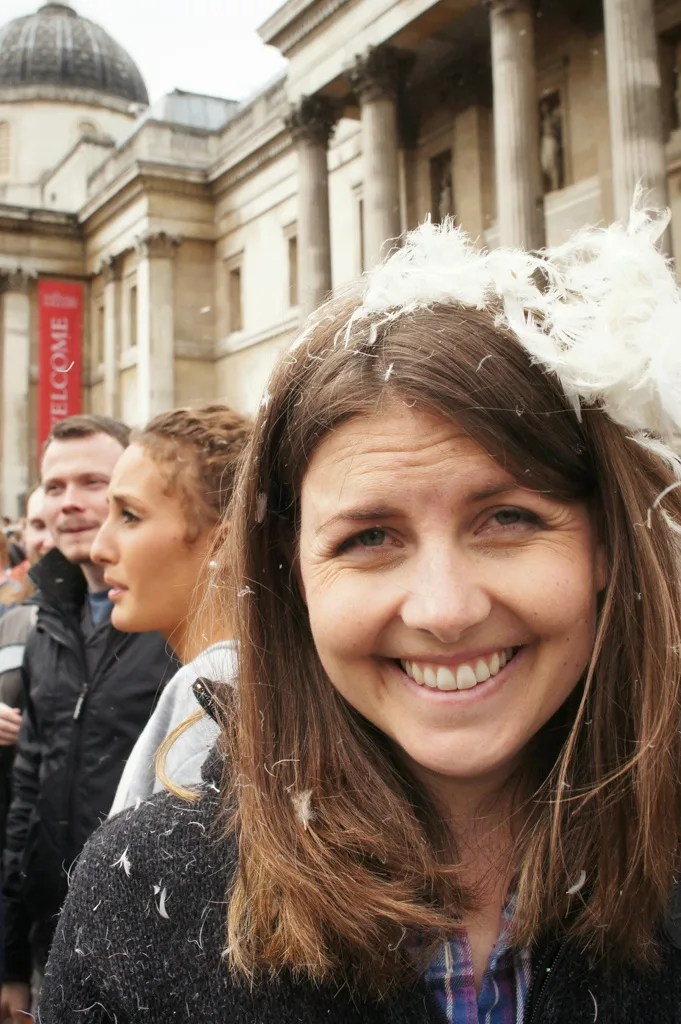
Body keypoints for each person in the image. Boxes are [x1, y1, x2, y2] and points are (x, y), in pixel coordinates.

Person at [38, 204, 681, 1023]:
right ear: (291, 577)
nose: (445, 610)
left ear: (602, 546)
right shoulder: (135, 895)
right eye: (369, 537)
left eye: (507, 518)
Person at [0, 415, 178, 1023]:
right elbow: (27, 802)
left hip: (158, 952)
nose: (70, 503)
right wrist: (10, 962)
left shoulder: (182, 626)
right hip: (56, 944)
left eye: (92, 482)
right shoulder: (45, 624)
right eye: (55, 486)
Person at [88, 404, 251, 813]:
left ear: (222, 544)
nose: (99, 549)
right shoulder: (249, 678)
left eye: (130, 516)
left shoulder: (211, 692)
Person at [0, 487, 54, 853]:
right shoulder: (13, 615)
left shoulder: (132, 621)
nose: (50, 537)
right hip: (14, 826)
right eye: (37, 524)